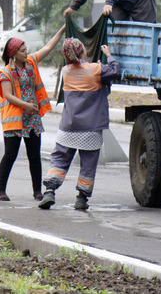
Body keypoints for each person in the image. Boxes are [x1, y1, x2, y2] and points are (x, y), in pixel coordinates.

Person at [39, 38, 120, 211]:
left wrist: (95, 66)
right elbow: (115, 71)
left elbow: (83, 71)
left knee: (59, 160)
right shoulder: (95, 69)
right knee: (88, 164)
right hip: (90, 130)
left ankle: (49, 192)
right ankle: (81, 199)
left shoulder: (66, 71)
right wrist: (108, 55)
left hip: (68, 128)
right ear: (81, 51)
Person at [0, 25, 66, 202]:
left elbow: (48, 47)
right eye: (22, 51)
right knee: (10, 155)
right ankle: (1, 191)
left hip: (32, 118)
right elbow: (9, 96)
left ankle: (37, 192)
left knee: (34, 155)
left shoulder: (31, 63)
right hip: (15, 119)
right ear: (13, 53)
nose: (26, 53)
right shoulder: (5, 72)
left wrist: (62, 29)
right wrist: (27, 105)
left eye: (26, 50)